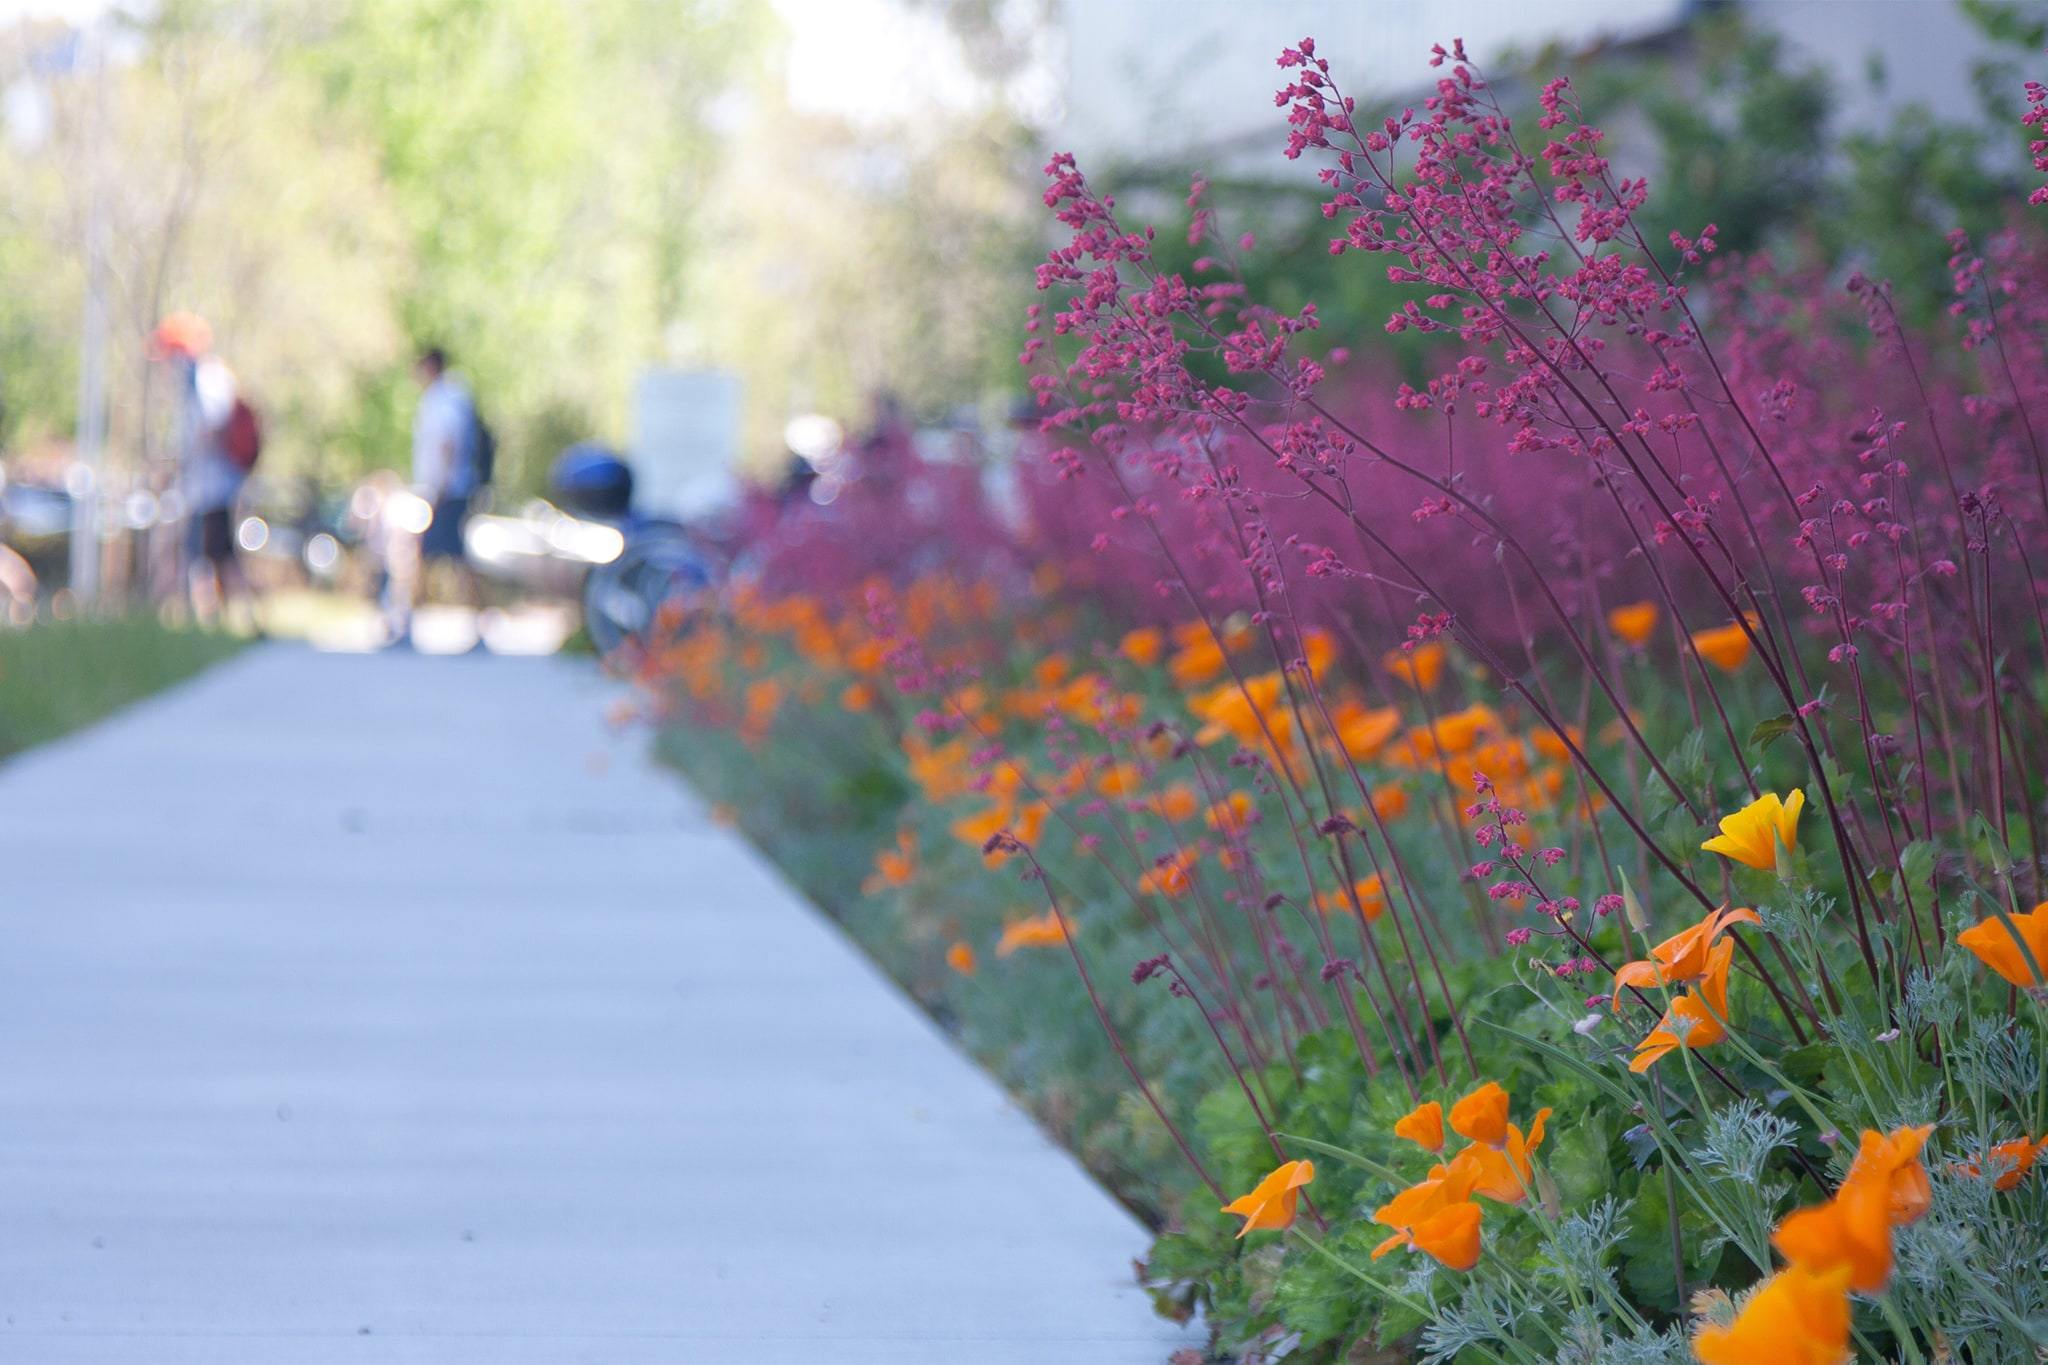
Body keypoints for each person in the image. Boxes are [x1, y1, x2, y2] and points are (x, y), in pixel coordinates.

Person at [153, 312, 255, 628]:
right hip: (202, 486)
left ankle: (239, 619)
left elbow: (212, 425)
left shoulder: (206, 378)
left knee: (217, 553)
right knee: (204, 553)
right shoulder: (194, 381)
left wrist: (180, 459)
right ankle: (210, 619)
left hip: (215, 485)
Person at [396, 345, 483, 646]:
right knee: (441, 557)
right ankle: (409, 624)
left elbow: (447, 445)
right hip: (442, 490)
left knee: (441, 557)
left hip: (446, 491)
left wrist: (439, 489)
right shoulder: (443, 398)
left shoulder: (445, 400)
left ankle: (409, 626)